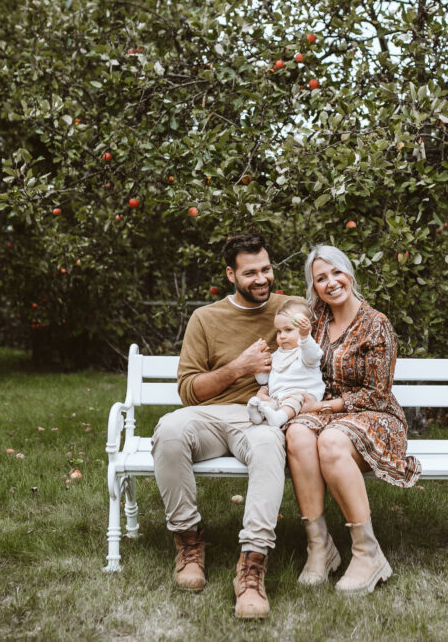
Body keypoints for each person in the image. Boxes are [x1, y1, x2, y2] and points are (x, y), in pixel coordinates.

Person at [150, 231, 303, 619]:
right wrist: (240, 368)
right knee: (169, 429)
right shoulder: (206, 318)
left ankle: (251, 567)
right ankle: (189, 543)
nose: (262, 279)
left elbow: (336, 307)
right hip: (210, 417)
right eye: (250, 272)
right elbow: (188, 391)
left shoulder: (290, 310)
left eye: (266, 269)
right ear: (231, 275)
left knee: (270, 447)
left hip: (259, 419)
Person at [284, 244, 422, 594]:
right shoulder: (314, 321)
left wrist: (324, 408)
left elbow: (378, 392)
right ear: (313, 287)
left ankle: (367, 553)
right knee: (298, 434)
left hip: (375, 414)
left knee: (330, 441)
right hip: (325, 410)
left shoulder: (377, 324)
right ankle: (320, 548)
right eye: (321, 278)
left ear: (350, 273)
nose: (331, 282)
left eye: (336, 272)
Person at [247, 300, 325, 428]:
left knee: (294, 400)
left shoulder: (305, 352)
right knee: (265, 403)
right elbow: (263, 380)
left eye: (288, 330)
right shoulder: (276, 355)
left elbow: (311, 355)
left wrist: (305, 337)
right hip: (278, 399)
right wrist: (258, 365)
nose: (282, 336)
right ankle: (258, 416)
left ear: (306, 330)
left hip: (303, 397)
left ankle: (279, 418)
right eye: (279, 331)